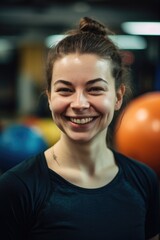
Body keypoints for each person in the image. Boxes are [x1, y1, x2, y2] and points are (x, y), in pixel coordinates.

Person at [0, 17, 159, 240]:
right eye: (65, 90)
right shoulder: (16, 188)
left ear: (118, 96)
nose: (79, 104)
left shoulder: (144, 180)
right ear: (49, 97)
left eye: (95, 89)